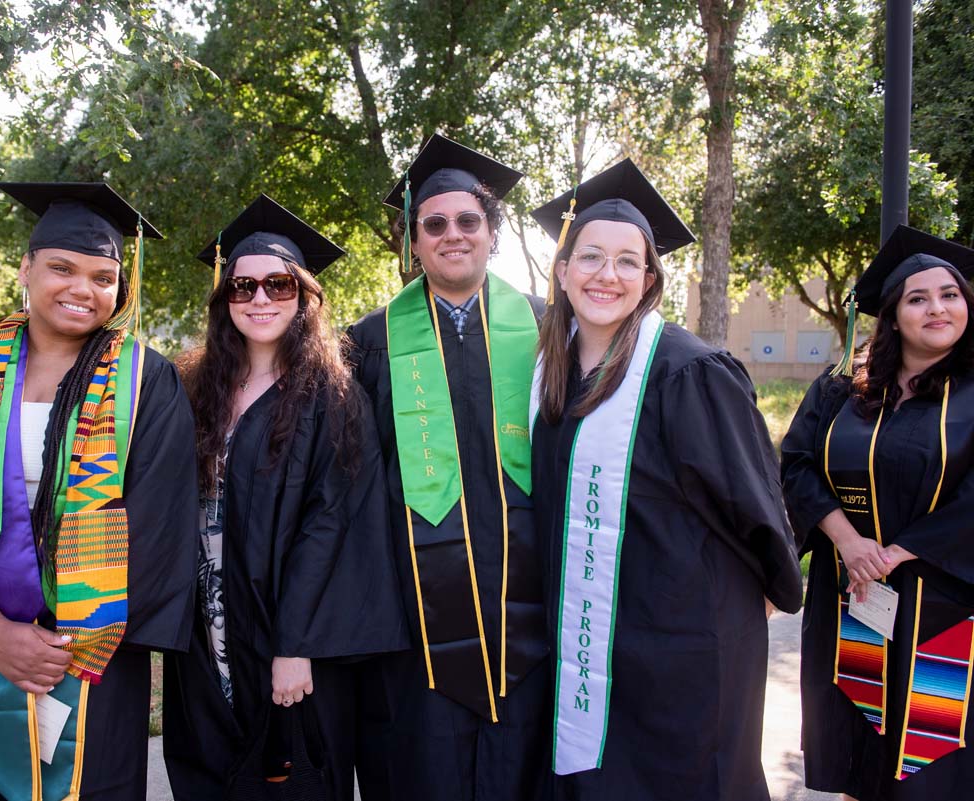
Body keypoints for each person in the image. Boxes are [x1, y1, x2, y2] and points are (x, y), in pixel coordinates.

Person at [0, 182, 198, 801]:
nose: (82, 289)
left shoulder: (148, 384)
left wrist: (61, 647)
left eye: (102, 276)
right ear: (27, 268)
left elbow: (161, 524)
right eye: (62, 268)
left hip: (88, 652)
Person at [529, 159, 803, 801]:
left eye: (630, 261)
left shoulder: (689, 370)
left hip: (681, 641)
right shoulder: (549, 377)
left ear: (650, 279)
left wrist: (769, 580)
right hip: (590, 637)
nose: (608, 275)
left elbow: (753, 497)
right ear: (563, 271)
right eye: (591, 257)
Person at [161, 194, 407, 801]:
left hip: (287, 635)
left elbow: (333, 524)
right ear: (225, 300)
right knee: (210, 765)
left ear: (304, 298)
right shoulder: (194, 388)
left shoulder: (333, 397)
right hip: (205, 630)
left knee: (289, 774)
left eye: (278, 285)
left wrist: (295, 646)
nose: (261, 299)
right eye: (243, 288)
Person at [346, 134, 550, 801]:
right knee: (423, 767)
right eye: (434, 224)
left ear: (493, 232)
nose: (452, 234)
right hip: (419, 615)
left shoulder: (550, 330)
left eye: (468, 221)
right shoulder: (368, 343)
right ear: (413, 241)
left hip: (532, 606)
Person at [781, 225, 974, 801]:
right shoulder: (843, 387)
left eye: (951, 294)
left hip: (946, 604)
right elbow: (795, 464)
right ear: (892, 314)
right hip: (852, 595)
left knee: (932, 757)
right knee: (857, 746)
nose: (937, 308)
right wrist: (848, 542)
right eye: (918, 298)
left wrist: (893, 553)